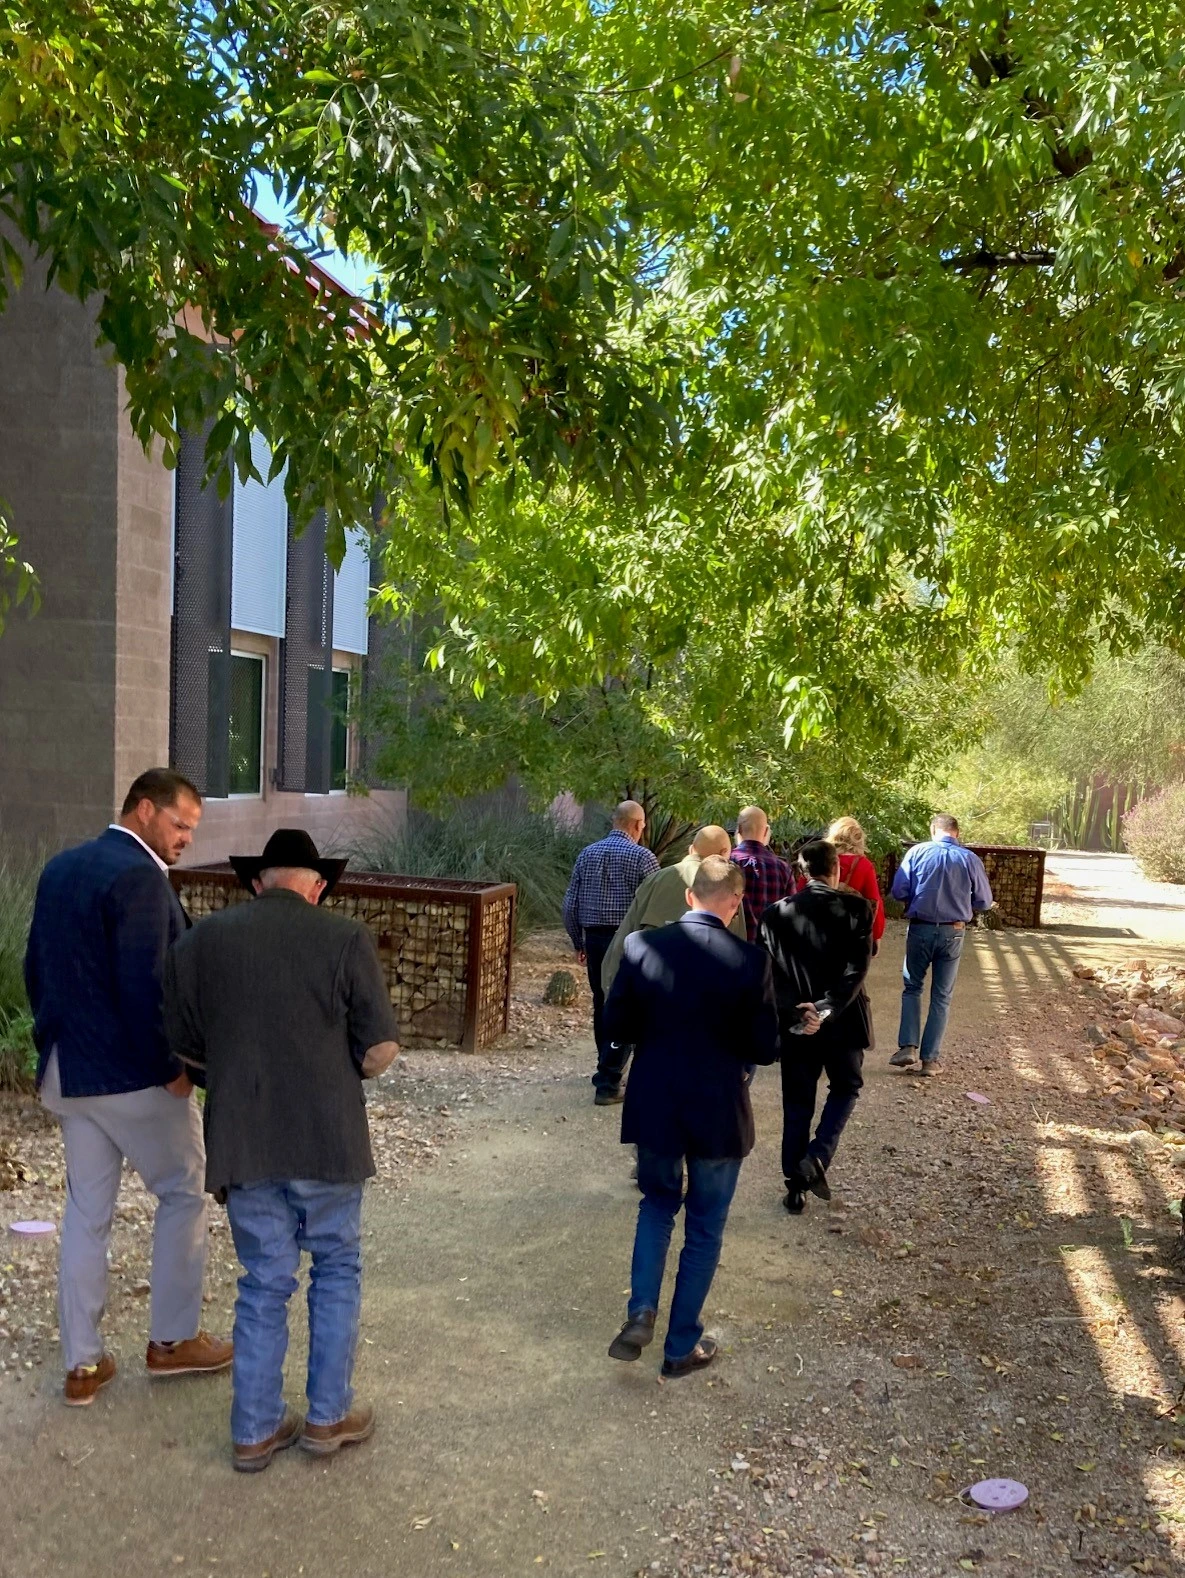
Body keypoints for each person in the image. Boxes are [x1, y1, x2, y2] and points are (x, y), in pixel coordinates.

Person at [163, 829, 401, 1472]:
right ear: (316, 887)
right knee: (336, 1271)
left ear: (257, 881)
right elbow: (379, 1052)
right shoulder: (345, 938)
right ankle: (326, 1419)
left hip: (244, 1138)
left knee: (263, 1283)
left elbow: (185, 1051)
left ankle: (254, 1431)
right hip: (328, 1140)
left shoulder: (202, 941)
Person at [23, 767, 232, 1407]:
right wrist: (174, 1067)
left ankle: (82, 1367)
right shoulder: (140, 877)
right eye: (180, 825)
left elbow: (35, 967)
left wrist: (52, 1041)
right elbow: (148, 987)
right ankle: (171, 1342)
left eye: (192, 830)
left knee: (87, 1213)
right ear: (144, 810)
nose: (186, 840)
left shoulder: (62, 867)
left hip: (69, 1069)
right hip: (134, 1073)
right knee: (186, 1189)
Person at [602, 857, 816, 1377]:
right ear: (736, 904)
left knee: (655, 1206)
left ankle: (641, 1310)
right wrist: (791, 1027)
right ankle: (680, 1348)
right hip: (718, 1108)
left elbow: (618, 1023)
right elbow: (763, 1047)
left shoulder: (642, 946)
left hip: (655, 1100)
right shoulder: (749, 961)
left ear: (689, 896)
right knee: (704, 1225)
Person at [760, 839, 875, 1214]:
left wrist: (799, 1015)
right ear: (836, 869)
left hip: (796, 1026)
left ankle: (795, 1188)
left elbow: (771, 977)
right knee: (846, 1087)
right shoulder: (858, 908)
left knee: (797, 1103)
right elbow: (857, 969)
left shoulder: (774, 913)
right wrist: (825, 1008)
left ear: (801, 871)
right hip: (842, 1021)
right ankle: (818, 1155)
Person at [562, 800, 659, 1105]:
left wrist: (579, 941)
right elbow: (653, 906)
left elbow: (569, 905)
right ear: (637, 825)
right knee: (629, 1006)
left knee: (602, 1002)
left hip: (595, 939)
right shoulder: (644, 858)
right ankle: (609, 1079)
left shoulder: (587, 854)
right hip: (630, 941)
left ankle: (605, 1066)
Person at [889, 814, 993, 1076]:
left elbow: (899, 891)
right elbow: (984, 901)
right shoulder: (970, 859)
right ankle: (930, 1060)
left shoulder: (917, 852)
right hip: (953, 930)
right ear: (957, 832)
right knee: (942, 995)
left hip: (920, 927)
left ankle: (907, 1047)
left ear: (933, 829)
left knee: (912, 986)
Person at [599, 824, 745, 995]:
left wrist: (612, 992)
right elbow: (738, 950)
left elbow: (622, 941)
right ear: (723, 853)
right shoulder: (728, 891)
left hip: (650, 995)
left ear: (691, 849)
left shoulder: (655, 881)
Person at [729, 805, 793, 942]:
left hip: (731, 947)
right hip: (767, 952)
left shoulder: (726, 862)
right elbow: (791, 916)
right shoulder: (783, 869)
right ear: (766, 832)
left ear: (739, 829)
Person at [826, 816, 886, 951]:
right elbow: (874, 903)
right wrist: (875, 936)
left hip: (819, 930)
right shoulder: (864, 865)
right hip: (851, 935)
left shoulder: (820, 859)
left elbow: (801, 891)